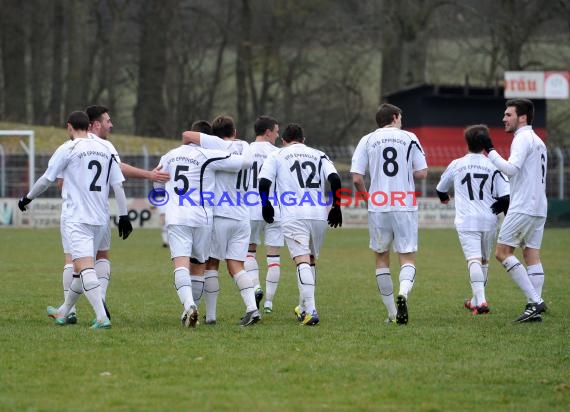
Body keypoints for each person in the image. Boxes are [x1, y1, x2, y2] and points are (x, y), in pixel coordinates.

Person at [18, 111, 133, 329]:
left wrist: (27, 197)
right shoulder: (105, 149)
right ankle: (64, 310)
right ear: (89, 127)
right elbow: (117, 185)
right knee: (82, 269)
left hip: (77, 218)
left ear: (70, 127)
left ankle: (101, 316)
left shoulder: (68, 148)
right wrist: (124, 215)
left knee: (82, 266)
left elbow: (47, 179)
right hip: (100, 219)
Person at [155, 121, 252, 328]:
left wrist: (165, 203)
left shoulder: (169, 155)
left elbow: (157, 182)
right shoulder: (208, 155)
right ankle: (193, 309)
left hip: (177, 217)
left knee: (181, 264)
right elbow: (243, 163)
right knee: (199, 266)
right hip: (203, 218)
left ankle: (189, 306)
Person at [79, 105, 169, 321]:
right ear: (95, 124)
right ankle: (96, 301)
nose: (111, 125)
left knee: (77, 262)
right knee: (100, 257)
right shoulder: (104, 146)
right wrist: (148, 175)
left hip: (78, 214)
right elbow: (118, 173)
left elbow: (58, 181)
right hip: (99, 212)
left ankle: (71, 310)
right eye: (108, 121)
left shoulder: (72, 146)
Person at [350, 103, 428, 325]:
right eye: (400, 117)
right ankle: (403, 292)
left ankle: (392, 313)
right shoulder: (410, 138)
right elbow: (422, 173)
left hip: (379, 205)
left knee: (381, 258)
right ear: (395, 117)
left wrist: (368, 199)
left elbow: (356, 177)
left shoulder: (367, 140)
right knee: (407, 256)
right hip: (404, 204)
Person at [258, 123, 342, 326]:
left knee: (302, 260)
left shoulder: (277, 155)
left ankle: (311, 310)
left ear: (284, 140)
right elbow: (335, 179)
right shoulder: (319, 154)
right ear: (304, 140)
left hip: (294, 214)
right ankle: (303, 307)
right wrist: (336, 206)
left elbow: (263, 183)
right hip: (318, 214)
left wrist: (265, 204)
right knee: (310, 261)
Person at [182, 115, 259, 326]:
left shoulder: (215, 145)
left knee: (211, 265)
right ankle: (252, 308)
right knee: (237, 265)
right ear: (234, 132)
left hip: (221, 215)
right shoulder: (246, 146)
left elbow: (187, 135)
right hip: (243, 216)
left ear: (214, 135)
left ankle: (212, 316)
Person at [480, 99, 548, 322]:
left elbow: (511, 169)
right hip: (539, 206)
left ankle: (535, 302)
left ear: (522, 118)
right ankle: (533, 305)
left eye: (508, 115)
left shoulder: (522, 138)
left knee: (502, 253)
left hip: (523, 206)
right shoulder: (538, 140)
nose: (504, 118)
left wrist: (489, 150)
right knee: (531, 254)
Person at [436, 125, 510, 315]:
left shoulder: (457, 164)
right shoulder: (495, 165)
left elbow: (440, 188)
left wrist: (444, 198)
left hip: (466, 220)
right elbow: (505, 197)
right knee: (484, 261)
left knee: (473, 260)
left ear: (467, 142)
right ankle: (476, 301)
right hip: (489, 219)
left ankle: (481, 301)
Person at [244, 115, 283, 314]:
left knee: (249, 252)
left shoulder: (245, 150)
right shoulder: (277, 153)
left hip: (249, 207)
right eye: (276, 131)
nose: (277, 135)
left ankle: (256, 286)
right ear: (267, 132)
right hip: (273, 207)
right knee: (273, 255)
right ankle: (268, 302)